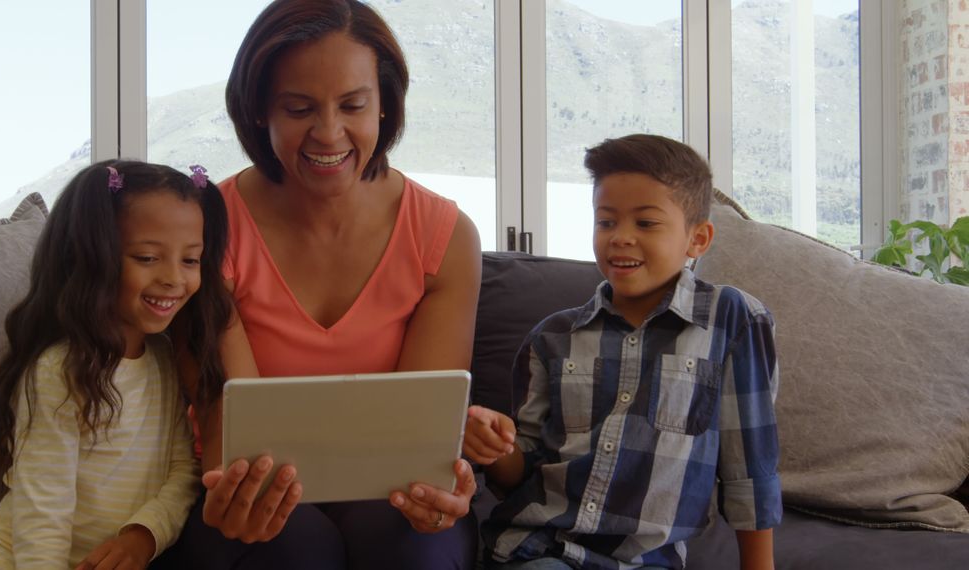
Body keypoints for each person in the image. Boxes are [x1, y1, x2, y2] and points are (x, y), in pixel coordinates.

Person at [160, 1, 483, 569]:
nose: (329, 133)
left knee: (419, 544)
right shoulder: (206, 229)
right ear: (260, 110)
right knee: (289, 546)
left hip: (386, 497)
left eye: (353, 105)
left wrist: (440, 489)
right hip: (252, 495)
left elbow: (418, 442)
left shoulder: (445, 236)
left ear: (384, 105)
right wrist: (231, 488)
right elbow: (228, 435)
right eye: (299, 108)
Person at [464, 134, 781, 570]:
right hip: (539, 550)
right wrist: (496, 448)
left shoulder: (733, 320)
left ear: (698, 238)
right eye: (606, 222)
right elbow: (520, 475)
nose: (620, 238)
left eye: (646, 224)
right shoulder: (551, 338)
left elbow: (751, 472)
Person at [0, 160, 231, 569]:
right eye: (146, 257)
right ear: (89, 257)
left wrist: (144, 536)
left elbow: (183, 471)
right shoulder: (59, 371)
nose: (175, 278)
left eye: (191, 260)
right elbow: (43, 513)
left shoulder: (162, 361)